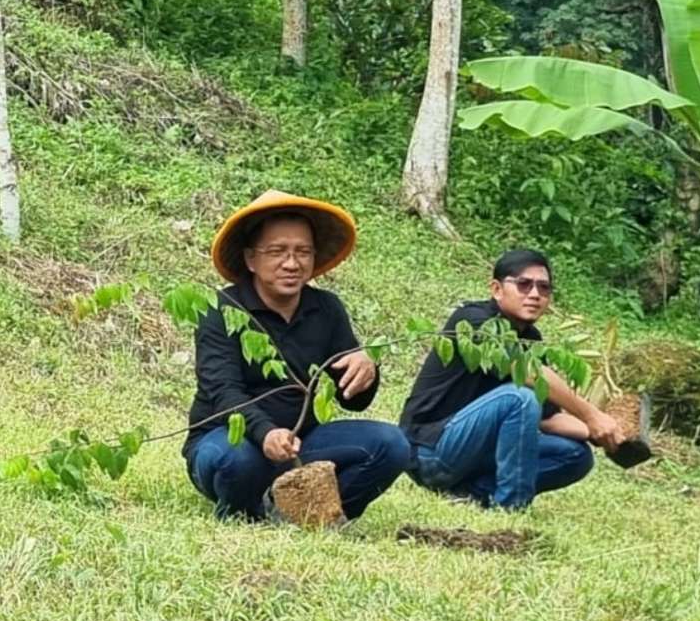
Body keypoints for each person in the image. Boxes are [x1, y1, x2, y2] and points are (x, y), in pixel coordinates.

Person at [183, 190, 410, 521]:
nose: (291, 263)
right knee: (238, 462)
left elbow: (351, 399)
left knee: (391, 444)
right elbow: (223, 391)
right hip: (228, 438)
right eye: (277, 252)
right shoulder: (220, 310)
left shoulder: (326, 309)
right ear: (250, 258)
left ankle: (314, 514)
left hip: (300, 441)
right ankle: (247, 511)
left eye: (302, 252)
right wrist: (265, 433)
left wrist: (367, 370)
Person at [400, 249, 624, 510]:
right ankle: (511, 505)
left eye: (544, 287)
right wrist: (592, 414)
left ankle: (476, 495)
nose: (534, 294)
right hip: (431, 453)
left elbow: (547, 418)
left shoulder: (531, 338)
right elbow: (527, 372)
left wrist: (605, 433)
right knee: (519, 397)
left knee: (575, 455)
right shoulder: (473, 320)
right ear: (496, 289)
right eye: (523, 284)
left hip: (475, 455)